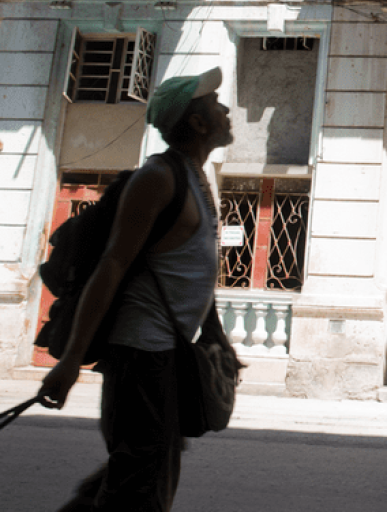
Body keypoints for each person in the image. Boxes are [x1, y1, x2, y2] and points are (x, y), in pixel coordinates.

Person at [39, 67, 232, 511]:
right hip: (140, 355)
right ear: (198, 123)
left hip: (163, 355)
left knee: (141, 475)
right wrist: (69, 362)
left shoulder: (195, 177)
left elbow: (191, 271)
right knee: (140, 487)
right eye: (215, 104)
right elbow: (112, 267)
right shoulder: (159, 179)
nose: (225, 110)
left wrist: (215, 334)